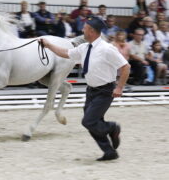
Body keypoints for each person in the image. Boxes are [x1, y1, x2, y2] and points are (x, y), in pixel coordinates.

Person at [40, 16, 130, 161]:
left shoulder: (107, 49)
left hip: (105, 91)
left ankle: (113, 128)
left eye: (85, 28)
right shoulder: (84, 48)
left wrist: (119, 88)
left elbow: (126, 67)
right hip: (91, 91)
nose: (82, 30)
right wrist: (48, 45)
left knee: (88, 121)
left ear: (92, 31)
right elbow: (66, 53)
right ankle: (109, 151)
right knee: (93, 123)